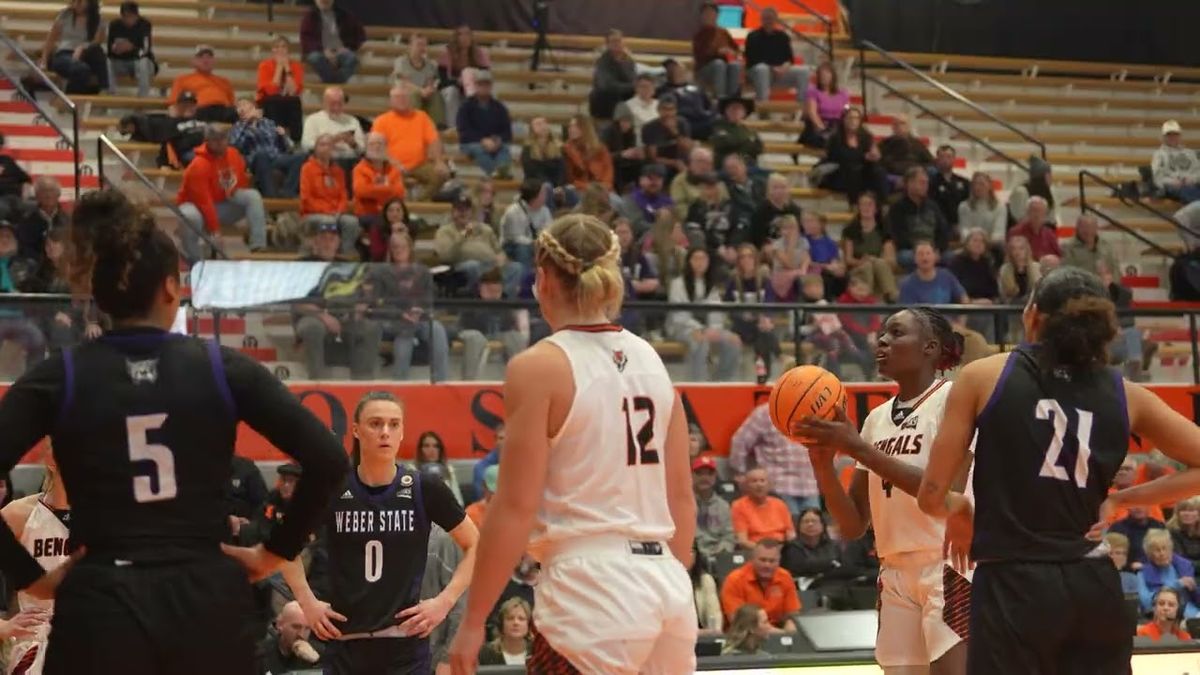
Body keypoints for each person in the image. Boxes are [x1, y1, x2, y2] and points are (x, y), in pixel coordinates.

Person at [0, 189, 348, 673]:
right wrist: (273, 553)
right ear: (172, 288)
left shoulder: (64, 375)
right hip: (205, 597)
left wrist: (31, 578)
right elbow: (329, 460)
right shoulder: (220, 367)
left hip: (101, 601)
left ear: (100, 295)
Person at [917, 266, 1200, 674]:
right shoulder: (1127, 394)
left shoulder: (983, 377)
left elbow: (930, 495)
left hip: (1013, 585)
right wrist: (1121, 499)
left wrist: (959, 510)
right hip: (1095, 585)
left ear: (1032, 315)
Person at [448, 215, 698, 674]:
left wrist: (474, 620)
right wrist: (670, 585)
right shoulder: (652, 361)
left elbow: (514, 507)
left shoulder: (539, 365)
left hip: (590, 590)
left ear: (542, 279)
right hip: (668, 588)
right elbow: (681, 499)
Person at [795, 305, 968, 674]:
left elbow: (944, 497)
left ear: (931, 348)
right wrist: (823, 466)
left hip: (948, 563)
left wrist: (858, 449)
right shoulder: (876, 419)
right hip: (893, 569)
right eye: (882, 334)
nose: (883, 340)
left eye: (896, 333)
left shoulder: (954, 401)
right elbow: (854, 525)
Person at [283, 392, 477, 674]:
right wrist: (307, 602)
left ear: (402, 433)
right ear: (356, 430)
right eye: (375, 423)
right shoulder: (331, 489)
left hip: (405, 648)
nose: (385, 432)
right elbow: (283, 544)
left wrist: (444, 602)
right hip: (345, 646)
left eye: (394, 424)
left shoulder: (425, 488)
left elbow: (477, 546)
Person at [0, 448, 69, 675]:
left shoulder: (112, 519)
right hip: (36, 649)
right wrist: (4, 627)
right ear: (50, 457)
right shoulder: (18, 515)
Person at [176, 125, 268, 261]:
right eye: (214, 140)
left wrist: (232, 190)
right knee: (191, 216)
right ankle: (194, 258)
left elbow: (241, 180)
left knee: (253, 195)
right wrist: (215, 230)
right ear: (207, 141)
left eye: (223, 139)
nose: (219, 143)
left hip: (221, 203)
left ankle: (258, 246)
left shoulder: (233, 154)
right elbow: (204, 201)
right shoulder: (199, 165)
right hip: (194, 206)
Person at [372, 84, 450, 200]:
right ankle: (400, 205)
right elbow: (376, 148)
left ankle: (420, 203)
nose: (401, 100)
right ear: (391, 101)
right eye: (397, 97)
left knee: (442, 174)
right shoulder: (381, 121)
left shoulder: (422, 117)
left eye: (404, 97)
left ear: (410, 100)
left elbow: (434, 141)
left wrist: (438, 161)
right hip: (391, 166)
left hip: (420, 165)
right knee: (384, 180)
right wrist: (394, 163)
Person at [719, 538, 800, 632]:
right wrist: (777, 633)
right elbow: (737, 621)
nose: (767, 565)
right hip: (745, 635)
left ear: (779, 561)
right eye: (762, 560)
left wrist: (790, 630)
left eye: (772, 561)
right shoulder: (734, 580)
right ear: (752, 559)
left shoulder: (785, 577)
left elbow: (792, 614)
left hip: (777, 631)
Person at [299, 133, 361, 256]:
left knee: (351, 221)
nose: (326, 148)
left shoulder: (338, 171)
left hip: (335, 213)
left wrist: (339, 211)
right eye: (322, 145)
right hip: (313, 214)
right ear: (316, 148)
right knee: (328, 221)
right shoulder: (307, 168)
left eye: (329, 145)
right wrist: (328, 211)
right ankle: (325, 254)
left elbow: (343, 195)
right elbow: (306, 198)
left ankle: (345, 252)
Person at [818, 106, 888, 206]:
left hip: (861, 173)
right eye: (850, 118)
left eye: (856, 118)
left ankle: (883, 204)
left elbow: (873, 153)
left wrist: (875, 155)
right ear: (843, 120)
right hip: (839, 174)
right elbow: (841, 158)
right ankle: (854, 205)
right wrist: (864, 157)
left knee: (879, 171)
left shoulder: (866, 136)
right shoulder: (835, 138)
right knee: (854, 169)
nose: (853, 121)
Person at [39, 0, 108, 95]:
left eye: (80, 2)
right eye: (74, 1)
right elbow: (51, 39)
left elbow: (98, 41)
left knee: (99, 55)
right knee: (82, 69)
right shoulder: (65, 15)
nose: (76, 5)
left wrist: (82, 47)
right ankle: (69, 99)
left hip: (86, 54)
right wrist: (44, 60)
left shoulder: (98, 19)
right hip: (64, 54)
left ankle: (104, 89)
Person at [745, 7, 809, 106]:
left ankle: (801, 109)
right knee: (762, 69)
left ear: (776, 20)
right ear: (761, 20)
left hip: (780, 73)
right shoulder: (752, 36)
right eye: (766, 18)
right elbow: (751, 60)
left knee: (804, 70)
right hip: (758, 73)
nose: (768, 21)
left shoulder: (783, 36)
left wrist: (785, 67)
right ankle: (764, 108)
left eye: (771, 18)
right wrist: (773, 68)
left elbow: (789, 59)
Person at [455, 70, 513, 179]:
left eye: (486, 84)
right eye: (480, 84)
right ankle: (496, 174)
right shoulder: (465, 107)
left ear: (491, 86)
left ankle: (501, 172)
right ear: (475, 86)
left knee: (505, 149)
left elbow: (507, 132)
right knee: (479, 150)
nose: (483, 87)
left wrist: (498, 140)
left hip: (495, 143)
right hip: (471, 143)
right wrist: (483, 140)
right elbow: (464, 131)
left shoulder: (500, 108)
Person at [300, 0, 365, 84]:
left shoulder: (345, 15)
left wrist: (347, 48)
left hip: (341, 51)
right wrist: (323, 51)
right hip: (318, 52)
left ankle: (334, 84)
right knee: (315, 58)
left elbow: (360, 35)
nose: (324, 1)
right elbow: (306, 40)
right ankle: (335, 85)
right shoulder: (310, 17)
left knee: (352, 59)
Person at [255, 36, 305, 143]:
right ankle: (274, 139)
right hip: (268, 103)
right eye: (276, 47)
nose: (280, 50)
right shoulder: (264, 65)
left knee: (295, 101)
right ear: (272, 50)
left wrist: (287, 69)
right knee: (273, 100)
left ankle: (296, 141)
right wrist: (279, 67)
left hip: (287, 103)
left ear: (288, 50)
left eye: (283, 47)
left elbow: (293, 92)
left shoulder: (296, 66)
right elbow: (271, 91)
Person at [393, 33, 446, 128]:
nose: (422, 48)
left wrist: (428, 90)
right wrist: (420, 91)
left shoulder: (430, 64)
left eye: (424, 45)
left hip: (423, 91)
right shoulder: (401, 61)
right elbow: (404, 83)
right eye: (418, 44)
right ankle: (413, 125)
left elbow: (430, 82)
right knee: (413, 95)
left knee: (436, 95)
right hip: (406, 91)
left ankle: (436, 126)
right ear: (410, 46)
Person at [257, 601, 322, 674]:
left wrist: (316, 661)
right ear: (279, 625)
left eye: (307, 628)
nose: (301, 634)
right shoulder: (259, 656)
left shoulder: (318, 652)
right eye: (296, 627)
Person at [692, 2, 741, 99]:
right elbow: (700, 55)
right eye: (706, 14)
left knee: (735, 65)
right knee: (718, 64)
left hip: (724, 66)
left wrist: (732, 52)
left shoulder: (723, 32)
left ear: (717, 16)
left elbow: (736, 49)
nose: (709, 16)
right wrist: (717, 52)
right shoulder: (699, 34)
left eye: (712, 14)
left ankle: (733, 98)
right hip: (704, 68)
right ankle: (720, 98)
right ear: (702, 16)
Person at [105, 1, 153, 98]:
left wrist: (132, 48)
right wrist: (115, 49)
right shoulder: (114, 25)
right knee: (107, 62)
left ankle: (142, 99)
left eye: (131, 16)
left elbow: (146, 50)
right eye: (125, 17)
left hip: (138, 61)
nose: (128, 20)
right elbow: (109, 49)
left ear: (136, 16)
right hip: (120, 62)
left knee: (144, 63)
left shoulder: (145, 25)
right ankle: (111, 95)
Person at [800, 62, 850, 149]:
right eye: (821, 75)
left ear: (833, 76)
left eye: (827, 74)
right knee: (831, 140)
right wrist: (823, 129)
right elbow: (812, 113)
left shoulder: (843, 93)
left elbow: (847, 109)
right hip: (818, 125)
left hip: (836, 125)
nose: (824, 77)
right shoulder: (813, 91)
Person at [589, 30, 637, 119]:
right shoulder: (602, 61)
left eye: (619, 40)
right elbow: (607, 85)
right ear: (607, 44)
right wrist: (632, 87)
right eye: (613, 41)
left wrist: (633, 86)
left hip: (624, 100)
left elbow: (632, 79)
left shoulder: (629, 61)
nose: (617, 44)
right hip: (606, 103)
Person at [1152, 120, 1200, 204]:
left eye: (1175, 134)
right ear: (1163, 137)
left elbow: (1198, 171)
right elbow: (1158, 177)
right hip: (1173, 186)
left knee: (1191, 189)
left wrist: (1192, 179)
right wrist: (1172, 181)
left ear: (1180, 136)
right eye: (1169, 134)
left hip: (1192, 184)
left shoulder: (1190, 153)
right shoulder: (1159, 154)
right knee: (1188, 191)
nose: (1172, 137)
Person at [476, 597, 531, 666]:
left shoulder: (539, 652)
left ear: (529, 625)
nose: (516, 622)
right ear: (501, 624)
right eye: (510, 618)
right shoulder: (485, 654)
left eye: (521, 619)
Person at [414, 432, 464, 506]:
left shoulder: (449, 470)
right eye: (426, 446)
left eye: (436, 446)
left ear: (440, 450)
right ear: (420, 449)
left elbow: (459, 502)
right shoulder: (412, 471)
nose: (431, 450)